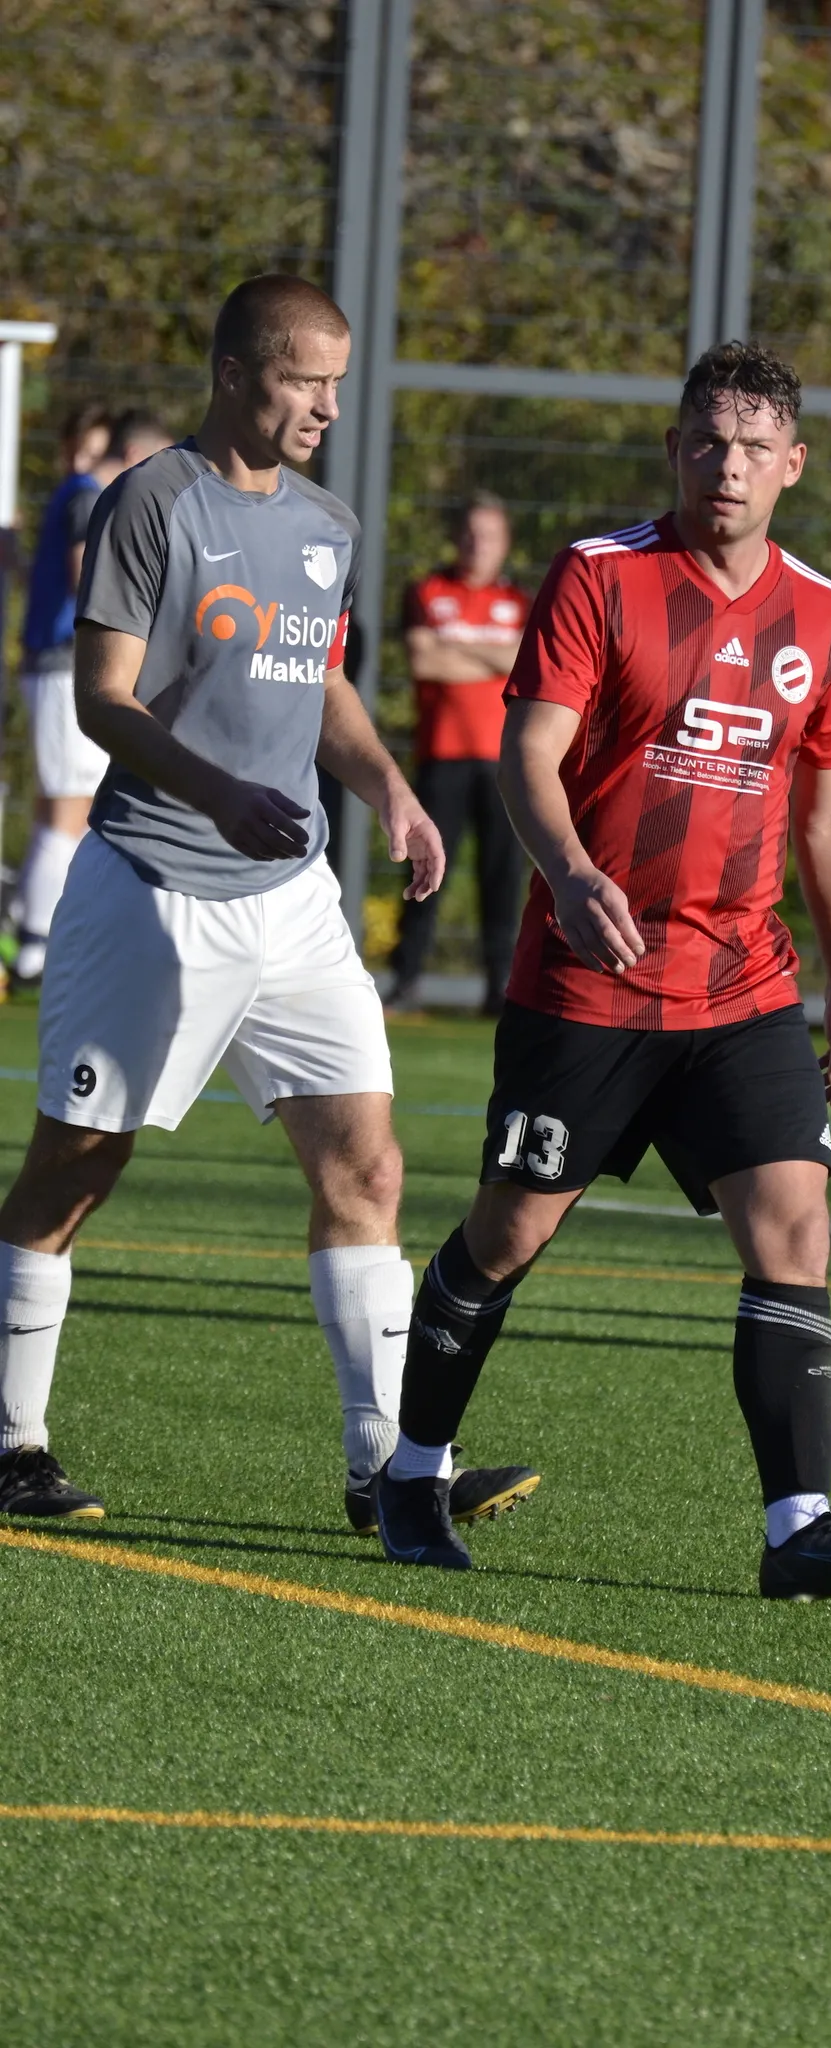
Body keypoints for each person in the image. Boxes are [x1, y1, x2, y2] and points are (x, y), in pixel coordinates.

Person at [374, 339, 831, 1602]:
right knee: (509, 1230)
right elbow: (530, 752)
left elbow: (830, 809)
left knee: (794, 1222)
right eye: (706, 441)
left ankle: (798, 1530)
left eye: (753, 448)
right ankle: (410, 1472)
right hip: (590, 980)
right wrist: (574, 874)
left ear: (793, 466)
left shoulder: (825, 614)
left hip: (743, 980)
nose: (726, 465)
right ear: (673, 449)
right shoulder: (599, 574)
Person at [0, 274, 537, 1536]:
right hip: (153, 884)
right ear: (235, 373)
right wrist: (219, 790)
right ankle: (11, 1439)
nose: (327, 406)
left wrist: (392, 789)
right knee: (76, 1168)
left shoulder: (326, 522)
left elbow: (322, 679)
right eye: (305, 380)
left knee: (367, 1162)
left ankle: (383, 1463)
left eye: (337, 383)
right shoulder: (152, 501)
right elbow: (103, 698)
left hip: (291, 898)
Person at [12, 409, 173, 988]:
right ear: (133, 457)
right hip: (63, 668)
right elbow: (87, 577)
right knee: (69, 809)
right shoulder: (88, 496)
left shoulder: (73, 492)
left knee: (57, 807)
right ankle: (36, 948)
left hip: (51, 667)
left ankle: (31, 935)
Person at [386, 494, 529, 1014]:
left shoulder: (520, 601)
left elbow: (525, 662)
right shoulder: (427, 590)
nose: (477, 544)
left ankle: (501, 989)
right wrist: (494, 658)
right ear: (456, 536)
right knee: (425, 869)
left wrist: (456, 648)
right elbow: (425, 661)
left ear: (505, 543)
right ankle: (406, 982)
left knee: (502, 878)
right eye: (470, 532)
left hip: (503, 762)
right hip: (441, 756)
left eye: (489, 535)